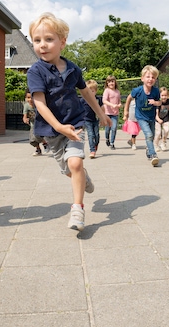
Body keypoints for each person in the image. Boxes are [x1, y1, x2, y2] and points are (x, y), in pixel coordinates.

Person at [26, 12, 111, 232]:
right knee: (68, 170)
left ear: (62, 42)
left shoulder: (73, 68)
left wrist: (101, 114)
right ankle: (83, 178)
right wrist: (57, 126)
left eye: (48, 39)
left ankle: (78, 209)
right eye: (37, 40)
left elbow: (86, 92)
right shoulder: (35, 71)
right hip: (51, 130)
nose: (42, 45)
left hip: (75, 123)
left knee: (75, 163)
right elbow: (40, 104)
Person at [123, 65, 161, 167]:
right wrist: (126, 111)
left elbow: (160, 103)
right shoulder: (137, 90)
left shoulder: (156, 91)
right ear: (142, 78)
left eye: (153, 77)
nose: (150, 79)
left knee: (151, 136)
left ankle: (149, 151)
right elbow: (128, 98)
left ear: (155, 79)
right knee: (148, 135)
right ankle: (153, 155)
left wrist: (155, 102)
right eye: (148, 77)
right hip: (140, 117)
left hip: (151, 117)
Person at [80, 79, 102, 158]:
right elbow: (79, 109)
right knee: (90, 134)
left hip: (95, 119)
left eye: (92, 91)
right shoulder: (83, 100)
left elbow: (102, 108)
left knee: (96, 135)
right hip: (87, 120)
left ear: (95, 91)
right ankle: (92, 150)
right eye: (89, 91)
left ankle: (95, 145)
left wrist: (103, 117)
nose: (90, 93)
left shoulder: (98, 99)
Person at [23, 90, 48, 156]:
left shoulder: (38, 105)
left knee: (38, 137)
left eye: (32, 97)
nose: (30, 99)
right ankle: (38, 149)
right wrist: (25, 119)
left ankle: (45, 144)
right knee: (32, 140)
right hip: (33, 125)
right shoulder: (26, 106)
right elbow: (24, 115)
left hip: (40, 124)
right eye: (28, 98)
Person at [102, 75, 121, 150]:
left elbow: (119, 101)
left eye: (112, 81)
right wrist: (112, 105)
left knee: (114, 128)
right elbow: (104, 101)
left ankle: (112, 143)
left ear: (115, 82)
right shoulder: (107, 90)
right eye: (109, 82)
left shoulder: (117, 91)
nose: (111, 83)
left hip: (115, 114)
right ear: (107, 83)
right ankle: (107, 139)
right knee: (107, 129)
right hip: (107, 113)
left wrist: (119, 105)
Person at [154, 87, 169, 152]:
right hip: (158, 118)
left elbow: (168, 109)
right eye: (162, 95)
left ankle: (163, 143)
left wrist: (166, 118)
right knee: (158, 133)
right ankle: (155, 145)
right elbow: (156, 113)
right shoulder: (158, 102)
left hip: (165, 118)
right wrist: (158, 119)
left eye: (165, 95)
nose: (164, 97)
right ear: (159, 95)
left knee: (166, 130)